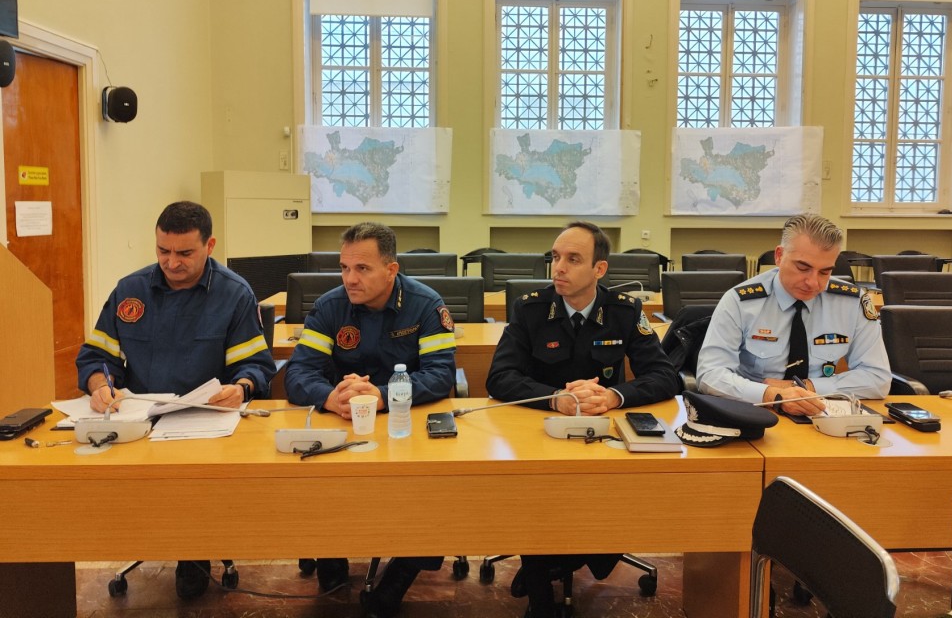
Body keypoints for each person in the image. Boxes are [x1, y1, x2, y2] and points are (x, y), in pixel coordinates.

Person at [75, 200, 276, 598]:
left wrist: (241, 388)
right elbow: (97, 356)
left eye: (184, 253)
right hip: (141, 421)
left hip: (207, 424)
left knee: (193, 489)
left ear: (210, 245)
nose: (171, 262)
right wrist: (100, 384)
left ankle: (193, 552)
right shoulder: (130, 290)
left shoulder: (233, 293)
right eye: (163, 251)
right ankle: (160, 535)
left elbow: (255, 366)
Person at [486, 221, 678, 618]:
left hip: (602, 437)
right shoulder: (530, 308)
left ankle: (557, 562)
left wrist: (613, 396)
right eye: (556, 257)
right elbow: (499, 377)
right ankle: (542, 587)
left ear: (599, 269)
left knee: (618, 495)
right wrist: (555, 398)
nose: (558, 268)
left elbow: (665, 376)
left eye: (573, 259)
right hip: (541, 435)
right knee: (535, 493)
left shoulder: (624, 310)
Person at [284, 221, 456, 618]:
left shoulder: (426, 305)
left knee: (438, 488)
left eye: (362, 268)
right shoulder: (329, 306)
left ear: (392, 269)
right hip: (342, 421)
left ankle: (402, 573)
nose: (350, 279)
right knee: (313, 480)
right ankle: (330, 555)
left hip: (405, 421)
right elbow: (298, 373)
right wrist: (330, 397)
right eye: (344, 268)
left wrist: (382, 395)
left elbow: (441, 375)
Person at [696, 213, 892, 415]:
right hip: (756, 411)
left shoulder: (851, 302)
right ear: (779, 256)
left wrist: (805, 387)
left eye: (825, 272)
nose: (813, 282)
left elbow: (878, 378)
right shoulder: (740, 302)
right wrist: (773, 396)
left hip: (821, 412)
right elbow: (710, 374)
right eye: (803, 268)